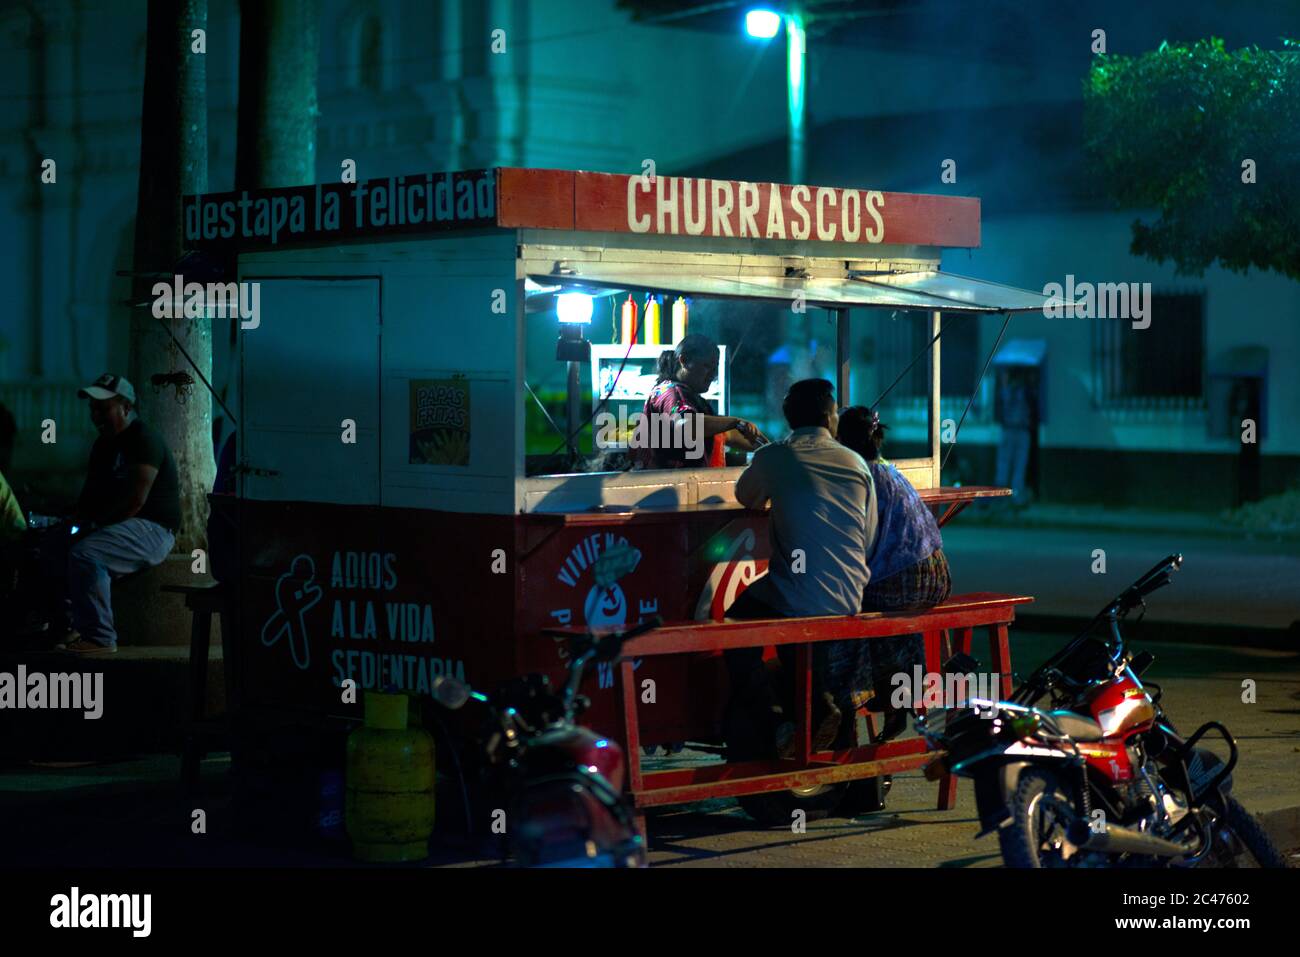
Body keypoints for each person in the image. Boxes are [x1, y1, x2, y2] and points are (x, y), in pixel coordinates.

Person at [724, 379, 878, 756]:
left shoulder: (775, 457)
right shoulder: (856, 462)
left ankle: (774, 714)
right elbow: (869, 536)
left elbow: (746, 496)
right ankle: (813, 699)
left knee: (734, 626)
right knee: (791, 612)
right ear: (829, 417)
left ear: (788, 417)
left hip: (797, 592)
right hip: (850, 592)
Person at [833, 406, 952, 739]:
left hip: (907, 580)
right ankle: (903, 702)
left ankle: (854, 700)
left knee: (848, 611)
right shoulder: (890, 470)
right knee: (896, 616)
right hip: (937, 574)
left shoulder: (859, 477)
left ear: (841, 440)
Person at [42, 374, 181, 655]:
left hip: (153, 528)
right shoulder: (103, 446)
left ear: (126, 408)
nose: (96, 416)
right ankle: (69, 625)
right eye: (93, 408)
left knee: (87, 553)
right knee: (51, 546)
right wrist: (68, 522)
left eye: (103, 408)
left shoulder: (143, 439)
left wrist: (92, 526)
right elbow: (89, 499)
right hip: (119, 525)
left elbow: (136, 500)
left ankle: (101, 637)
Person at [634, 333, 767, 470]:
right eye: (706, 366)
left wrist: (769, 447)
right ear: (684, 361)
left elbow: (725, 433)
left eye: (715, 367)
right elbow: (686, 425)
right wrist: (734, 422)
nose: (713, 374)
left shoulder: (692, 398)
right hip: (668, 487)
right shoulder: (671, 393)